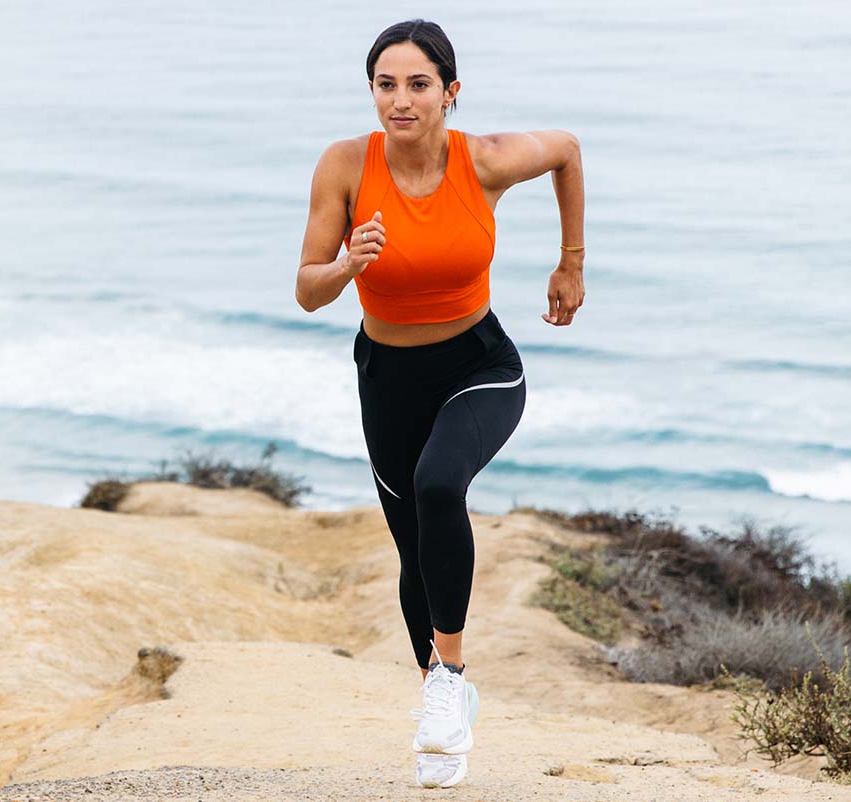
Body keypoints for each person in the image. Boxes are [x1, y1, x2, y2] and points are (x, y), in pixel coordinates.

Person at [294, 18, 585, 789]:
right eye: (386, 84)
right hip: (387, 378)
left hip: (479, 366)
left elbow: (566, 149)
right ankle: (444, 695)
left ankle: (447, 680)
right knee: (413, 552)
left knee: (437, 486)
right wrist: (350, 263)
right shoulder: (346, 167)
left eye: (418, 83)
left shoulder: (483, 160)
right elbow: (306, 291)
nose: (401, 99)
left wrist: (570, 264)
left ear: (450, 93)